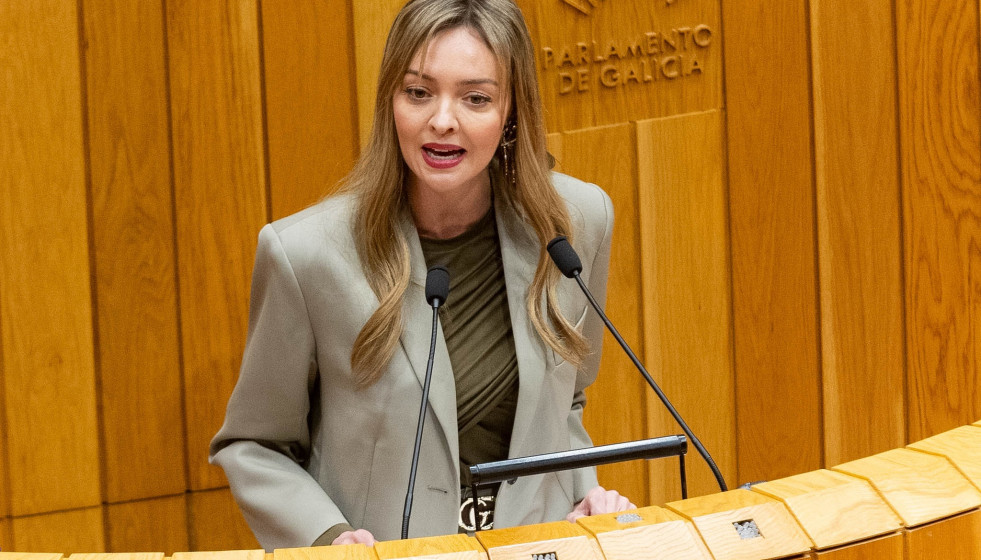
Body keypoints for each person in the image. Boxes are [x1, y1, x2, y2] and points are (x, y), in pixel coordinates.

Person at [209, 0, 634, 551]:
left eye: (476, 98)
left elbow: (566, 403)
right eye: (418, 92)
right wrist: (329, 538)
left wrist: (585, 493)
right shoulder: (305, 255)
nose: (442, 120)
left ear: (512, 110)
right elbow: (254, 444)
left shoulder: (575, 223)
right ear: (391, 100)